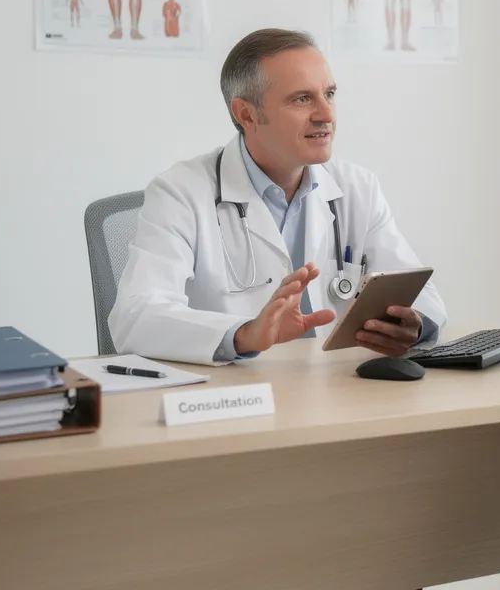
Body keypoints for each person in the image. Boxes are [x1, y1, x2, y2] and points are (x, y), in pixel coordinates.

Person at [110, 29, 447, 366]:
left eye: (329, 94)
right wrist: (244, 333)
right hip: (234, 399)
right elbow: (135, 315)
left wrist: (414, 325)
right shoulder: (181, 193)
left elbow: (421, 295)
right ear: (246, 114)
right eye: (302, 99)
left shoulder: (357, 187)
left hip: (338, 393)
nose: (326, 115)